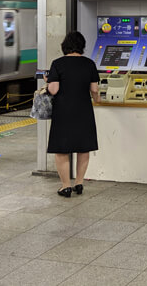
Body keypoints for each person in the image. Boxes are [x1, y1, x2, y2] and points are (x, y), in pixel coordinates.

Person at [46, 31, 100, 197]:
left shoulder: (57, 64)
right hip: (84, 110)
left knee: (62, 149)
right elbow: (95, 90)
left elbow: (53, 90)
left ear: (65, 46)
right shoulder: (89, 64)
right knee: (83, 149)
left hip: (63, 111)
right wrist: (97, 99)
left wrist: (47, 81)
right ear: (81, 46)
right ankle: (79, 183)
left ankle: (65, 186)